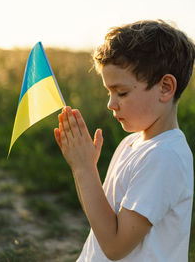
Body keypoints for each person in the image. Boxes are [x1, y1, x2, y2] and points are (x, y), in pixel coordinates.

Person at [54, 20, 195, 262]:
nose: (111, 104)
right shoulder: (131, 144)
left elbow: (115, 246)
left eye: (122, 92)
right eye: (109, 92)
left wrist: (85, 169)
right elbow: (101, 217)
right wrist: (82, 169)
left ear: (165, 87)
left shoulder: (164, 157)